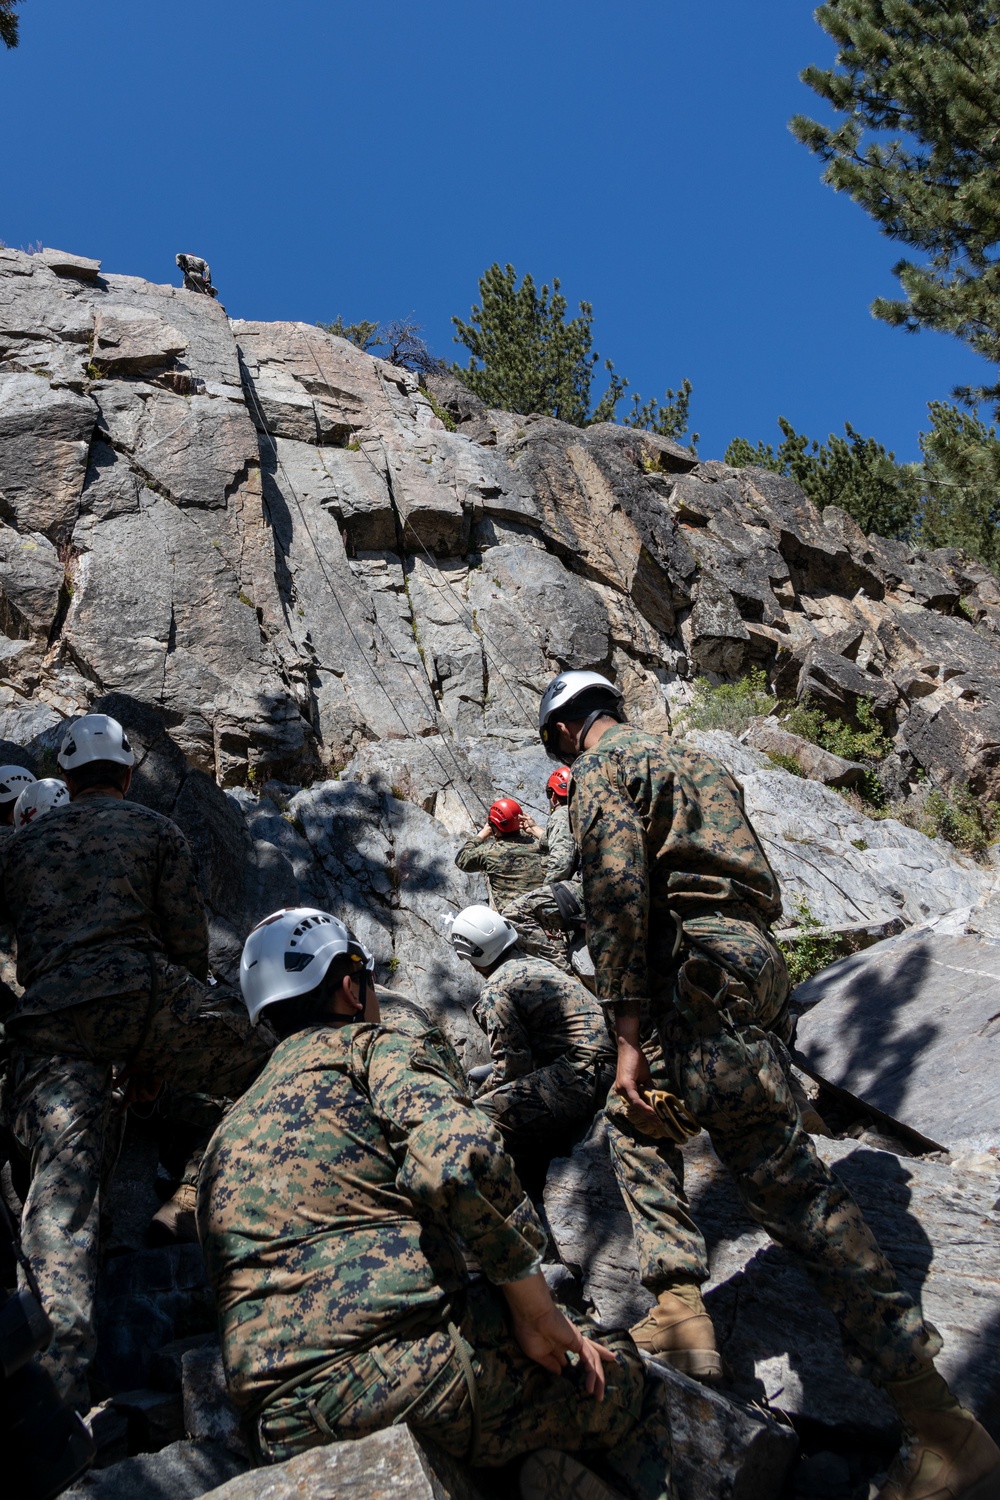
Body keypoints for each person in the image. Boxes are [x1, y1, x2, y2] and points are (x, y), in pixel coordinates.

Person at [538, 669, 1000, 1500]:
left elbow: (615, 896)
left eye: (556, 745)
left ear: (569, 730)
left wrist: (628, 1035)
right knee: (668, 1130)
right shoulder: (698, 763)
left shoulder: (603, 772)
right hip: (748, 966)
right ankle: (685, 1304)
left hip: (691, 979)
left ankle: (939, 1427)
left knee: (734, 1162)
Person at [197, 906, 676, 1500]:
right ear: (351, 986)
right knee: (618, 1371)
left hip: (275, 1426)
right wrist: (535, 1309)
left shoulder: (225, 1134)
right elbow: (461, 1156)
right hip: (399, 1374)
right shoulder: (371, 1051)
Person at [1, 713, 271, 1412]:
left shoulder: (20, 847)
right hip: (145, 995)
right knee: (277, 1066)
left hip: (51, 1026)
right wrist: (157, 1046)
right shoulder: (156, 831)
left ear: (65, 778)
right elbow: (185, 944)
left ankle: (54, 1395)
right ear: (125, 773)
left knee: (60, 1207)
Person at [447, 905, 613, 1181]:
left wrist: (476, 1097)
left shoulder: (495, 992)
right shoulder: (536, 963)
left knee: (471, 1123)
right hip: (600, 1062)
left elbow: (512, 1070)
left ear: (469, 954)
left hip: (584, 1074)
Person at [502, 767, 584, 975]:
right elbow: (566, 841)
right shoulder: (581, 811)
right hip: (593, 884)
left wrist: (546, 894)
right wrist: (535, 829)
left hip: (579, 889)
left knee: (514, 913)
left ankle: (562, 971)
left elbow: (562, 859)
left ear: (553, 795)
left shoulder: (560, 814)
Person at [454, 798, 547, 908]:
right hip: (545, 911)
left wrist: (482, 834)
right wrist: (535, 830)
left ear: (495, 828)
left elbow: (461, 859)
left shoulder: (489, 852)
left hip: (513, 918)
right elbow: (560, 845)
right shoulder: (540, 846)